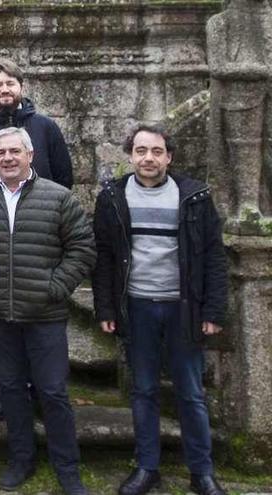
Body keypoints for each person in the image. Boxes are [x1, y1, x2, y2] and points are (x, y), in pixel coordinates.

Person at [92, 124, 228, 495]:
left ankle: (201, 472)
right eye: (140, 151)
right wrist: (105, 306)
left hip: (182, 308)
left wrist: (214, 310)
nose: (147, 158)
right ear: (130, 155)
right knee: (144, 390)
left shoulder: (195, 197)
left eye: (156, 151)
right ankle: (147, 467)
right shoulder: (113, 198)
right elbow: (103, 258)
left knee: (191, 393)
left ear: (169, 156)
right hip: (137, 306)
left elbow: (213, 256)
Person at [0, 127, 95, 495]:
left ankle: (67, 466)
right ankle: (21, 459)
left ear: (30, 155)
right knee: (10, 391)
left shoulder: (58, 197)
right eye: (0, 152)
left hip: (45, 316)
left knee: (52, 392)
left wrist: (55, 288)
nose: (7, 158)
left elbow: (82, 248)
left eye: (14, 151)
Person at [0, 57, 74, 421]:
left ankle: (40, 389)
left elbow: (64, 177)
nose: (5, 90)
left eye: (11, 83)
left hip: (40, 239)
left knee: (41, 326)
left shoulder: (45, 128)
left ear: (21, 86)